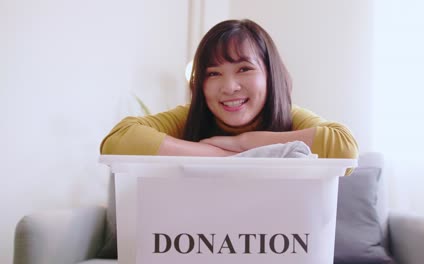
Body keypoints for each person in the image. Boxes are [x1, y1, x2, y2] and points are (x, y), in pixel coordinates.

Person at [100, 19, 358, 167]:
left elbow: (344, 148)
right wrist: (222, 158)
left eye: (244, 68)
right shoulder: (188, 117)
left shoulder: (291, 117)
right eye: (213, 73)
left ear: (270, 74)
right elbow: (119, 141)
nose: (229, 86)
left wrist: (242, 144)